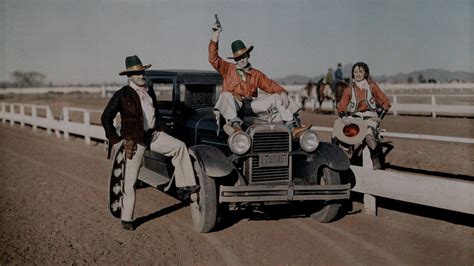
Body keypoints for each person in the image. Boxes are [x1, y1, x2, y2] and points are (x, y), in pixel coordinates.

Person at [101, 55, 199, 231]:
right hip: (134, 141)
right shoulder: (122, 94)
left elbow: (156, 115)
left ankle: (185, 187)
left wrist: (160, 129)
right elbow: (106, 117)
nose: (141, 75)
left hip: (153, 136)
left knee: (180, 147)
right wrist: (116, 140)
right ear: (129, 76)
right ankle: (127, 218)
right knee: (129, 182)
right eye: (137, 73)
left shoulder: (149, 91)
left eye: (142, 72)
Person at [208, 22, 310, 136]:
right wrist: (215, 35)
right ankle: (236, 127)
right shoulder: (227, 68)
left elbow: (270, 85)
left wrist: (282, 92)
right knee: (225, 95)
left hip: (251, 106)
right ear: (235, 60)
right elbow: (213, 59)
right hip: (235, 105)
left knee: (277, 97)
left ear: (248, 55)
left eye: (244, 56)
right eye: (238, 58)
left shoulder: (256, 74)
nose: (242, 60)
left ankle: (292, 127)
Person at [334, 62, 391, 168]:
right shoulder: (348, 89)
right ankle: (339, 159)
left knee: (369, 134)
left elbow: (386, 102)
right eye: (355, 72)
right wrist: (344, 117)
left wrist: (379, 117)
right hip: (354, 118)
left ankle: (375, 158)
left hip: (370, 117)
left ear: (365, 73)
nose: (358, 74)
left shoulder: (372, 87)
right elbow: (341, 108)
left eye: (361, 71)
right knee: (339, 131)